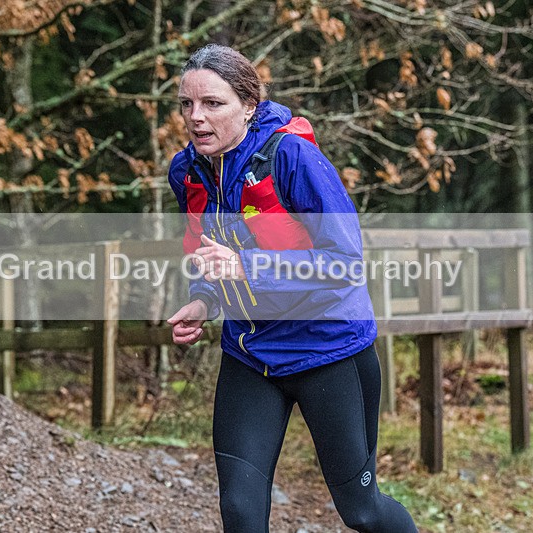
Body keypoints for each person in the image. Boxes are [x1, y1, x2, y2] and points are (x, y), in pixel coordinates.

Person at [166, 44, 418, 533]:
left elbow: (344, 263)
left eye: (213, 103)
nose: (196, 117)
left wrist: (245, 267)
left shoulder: (293, 158)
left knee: (362, 511)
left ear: (249, 105)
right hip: (250, 355)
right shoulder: (188, 171)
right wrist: (204, 300)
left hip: (328, 350)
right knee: (240, 512)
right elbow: (206, 253)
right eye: (186, 104)